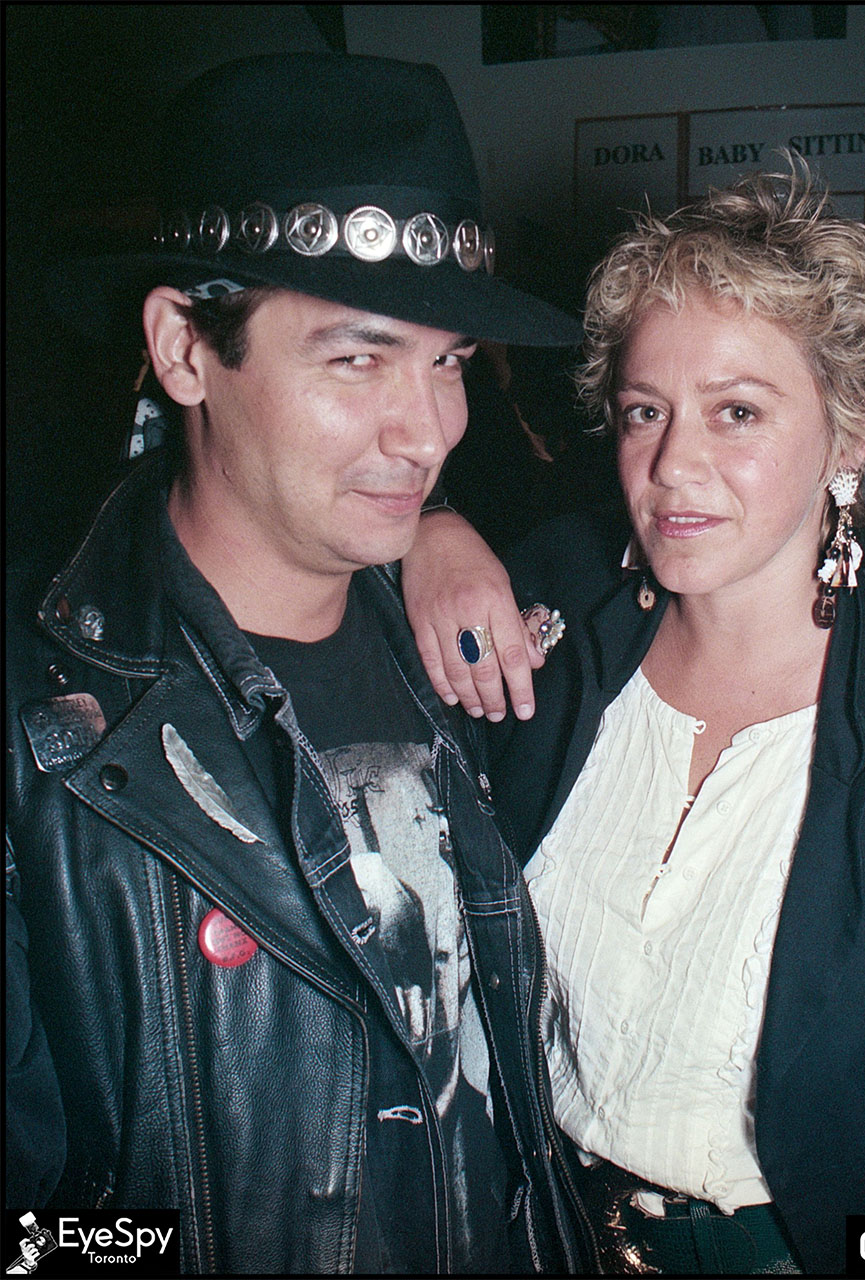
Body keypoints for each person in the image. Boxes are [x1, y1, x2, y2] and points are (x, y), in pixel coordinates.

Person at [5, 53, 594, 1275]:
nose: (429, 429)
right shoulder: (45, 738)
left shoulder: (472, 665)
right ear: (182, 349)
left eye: (446, 362)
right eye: (357, 358)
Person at [401, 157, 865, 1274]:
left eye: (737, 411)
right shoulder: (560, 622)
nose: (673, 463)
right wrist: (427, 527)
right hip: (538, 1231)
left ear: (849, 435)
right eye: (645, 410)